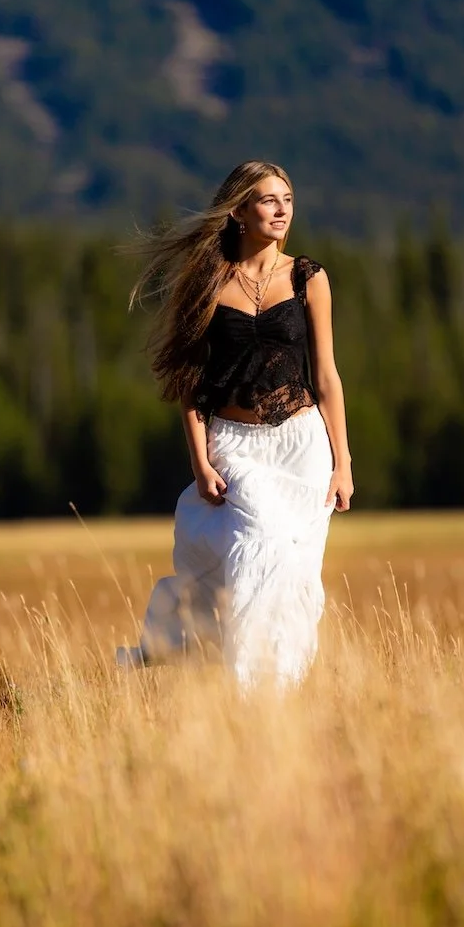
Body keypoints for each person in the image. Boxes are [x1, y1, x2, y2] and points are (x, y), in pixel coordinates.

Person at [117, 160, 353, 689]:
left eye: (288, 199)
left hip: (302, 446)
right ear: (240, 209)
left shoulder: (307, 278)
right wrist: (200, 461)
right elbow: (190, 382)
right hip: (236, 446)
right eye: (270, 200)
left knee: (293, 573)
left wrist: (343, 464)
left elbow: (327, 376)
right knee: (257, 550)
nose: (282, 210)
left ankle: (278, 689)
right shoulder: (208, 283)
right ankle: (245, 689)